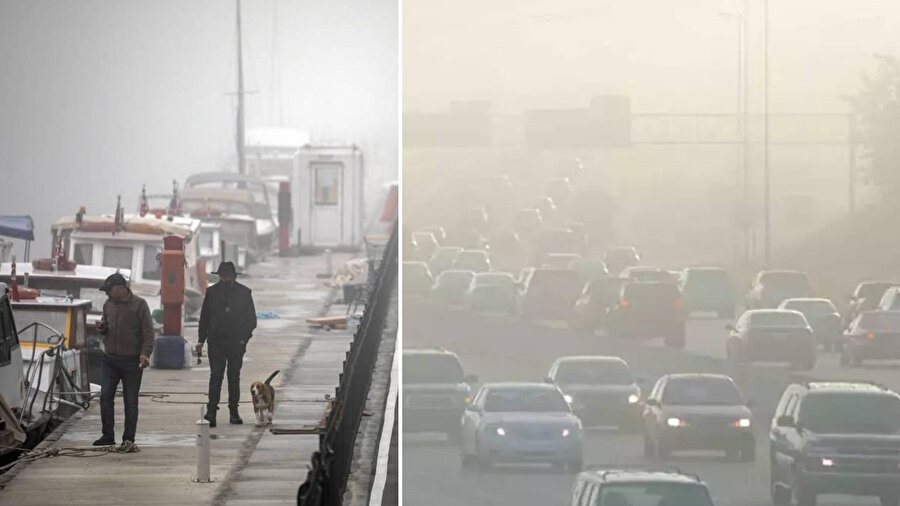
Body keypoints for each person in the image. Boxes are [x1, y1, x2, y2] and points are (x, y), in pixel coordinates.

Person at [93, 272, 154, 451]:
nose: (107, 294)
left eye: (109, 290)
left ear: (121, 288)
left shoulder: (139, 305)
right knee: (105, 396)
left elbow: (148, 333)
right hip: (110, 359)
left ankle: (128, 438)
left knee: (130, 400)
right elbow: (107, 325)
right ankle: (107, 435)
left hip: (132, 362)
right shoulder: (108, 304)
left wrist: (145, 354)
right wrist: (102, 328)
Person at [195, 262, 257, 427]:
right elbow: (204, 318)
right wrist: (201, 339)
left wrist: (244, 339)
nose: (225, 279)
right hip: (216, 341)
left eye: (228, 276)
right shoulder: (212, 292)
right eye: (222, 276)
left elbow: (251, 320)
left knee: (233, 377)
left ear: (234, 277)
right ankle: (211, 411)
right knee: (216, 376)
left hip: (236, 342)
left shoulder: (244, 293)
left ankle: (234, 411)